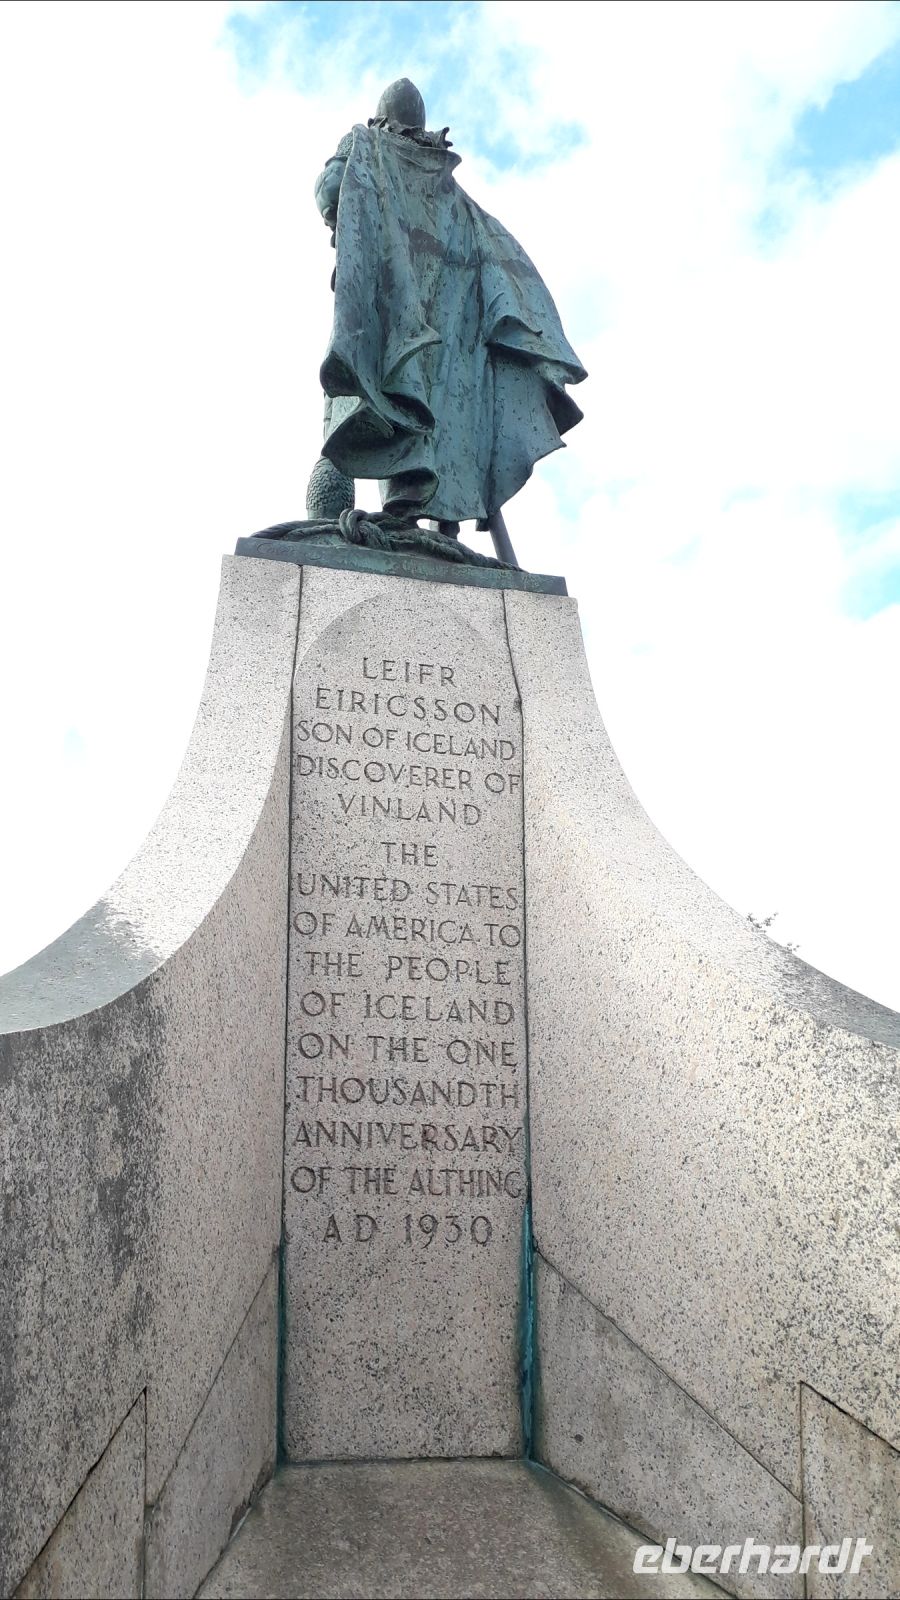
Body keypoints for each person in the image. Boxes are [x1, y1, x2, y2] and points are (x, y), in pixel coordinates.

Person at [307, 79, 586, 546]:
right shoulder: (454, 198)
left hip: (386, 325)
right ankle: (434, 518)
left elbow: (329, 192)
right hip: (446, 340)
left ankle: (383, 512)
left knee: (383, 400)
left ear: (381, 120)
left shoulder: (368, 147)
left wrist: (347, 162)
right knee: (434, 411)